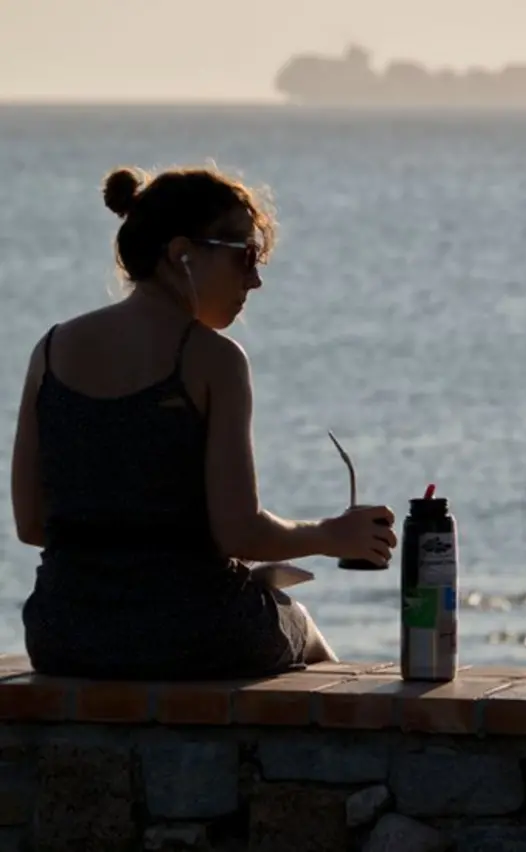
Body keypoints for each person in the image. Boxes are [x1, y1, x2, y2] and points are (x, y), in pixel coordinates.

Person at [10, 164, 397, 680]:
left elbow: (33, 522)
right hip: (195, 631)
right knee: (303, 631)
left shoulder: (51, 349)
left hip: (63, 633)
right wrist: (332, 534)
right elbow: (238, 530)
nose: (255, 279)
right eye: (245, 256)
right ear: (180, 254)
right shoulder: (214, 360)